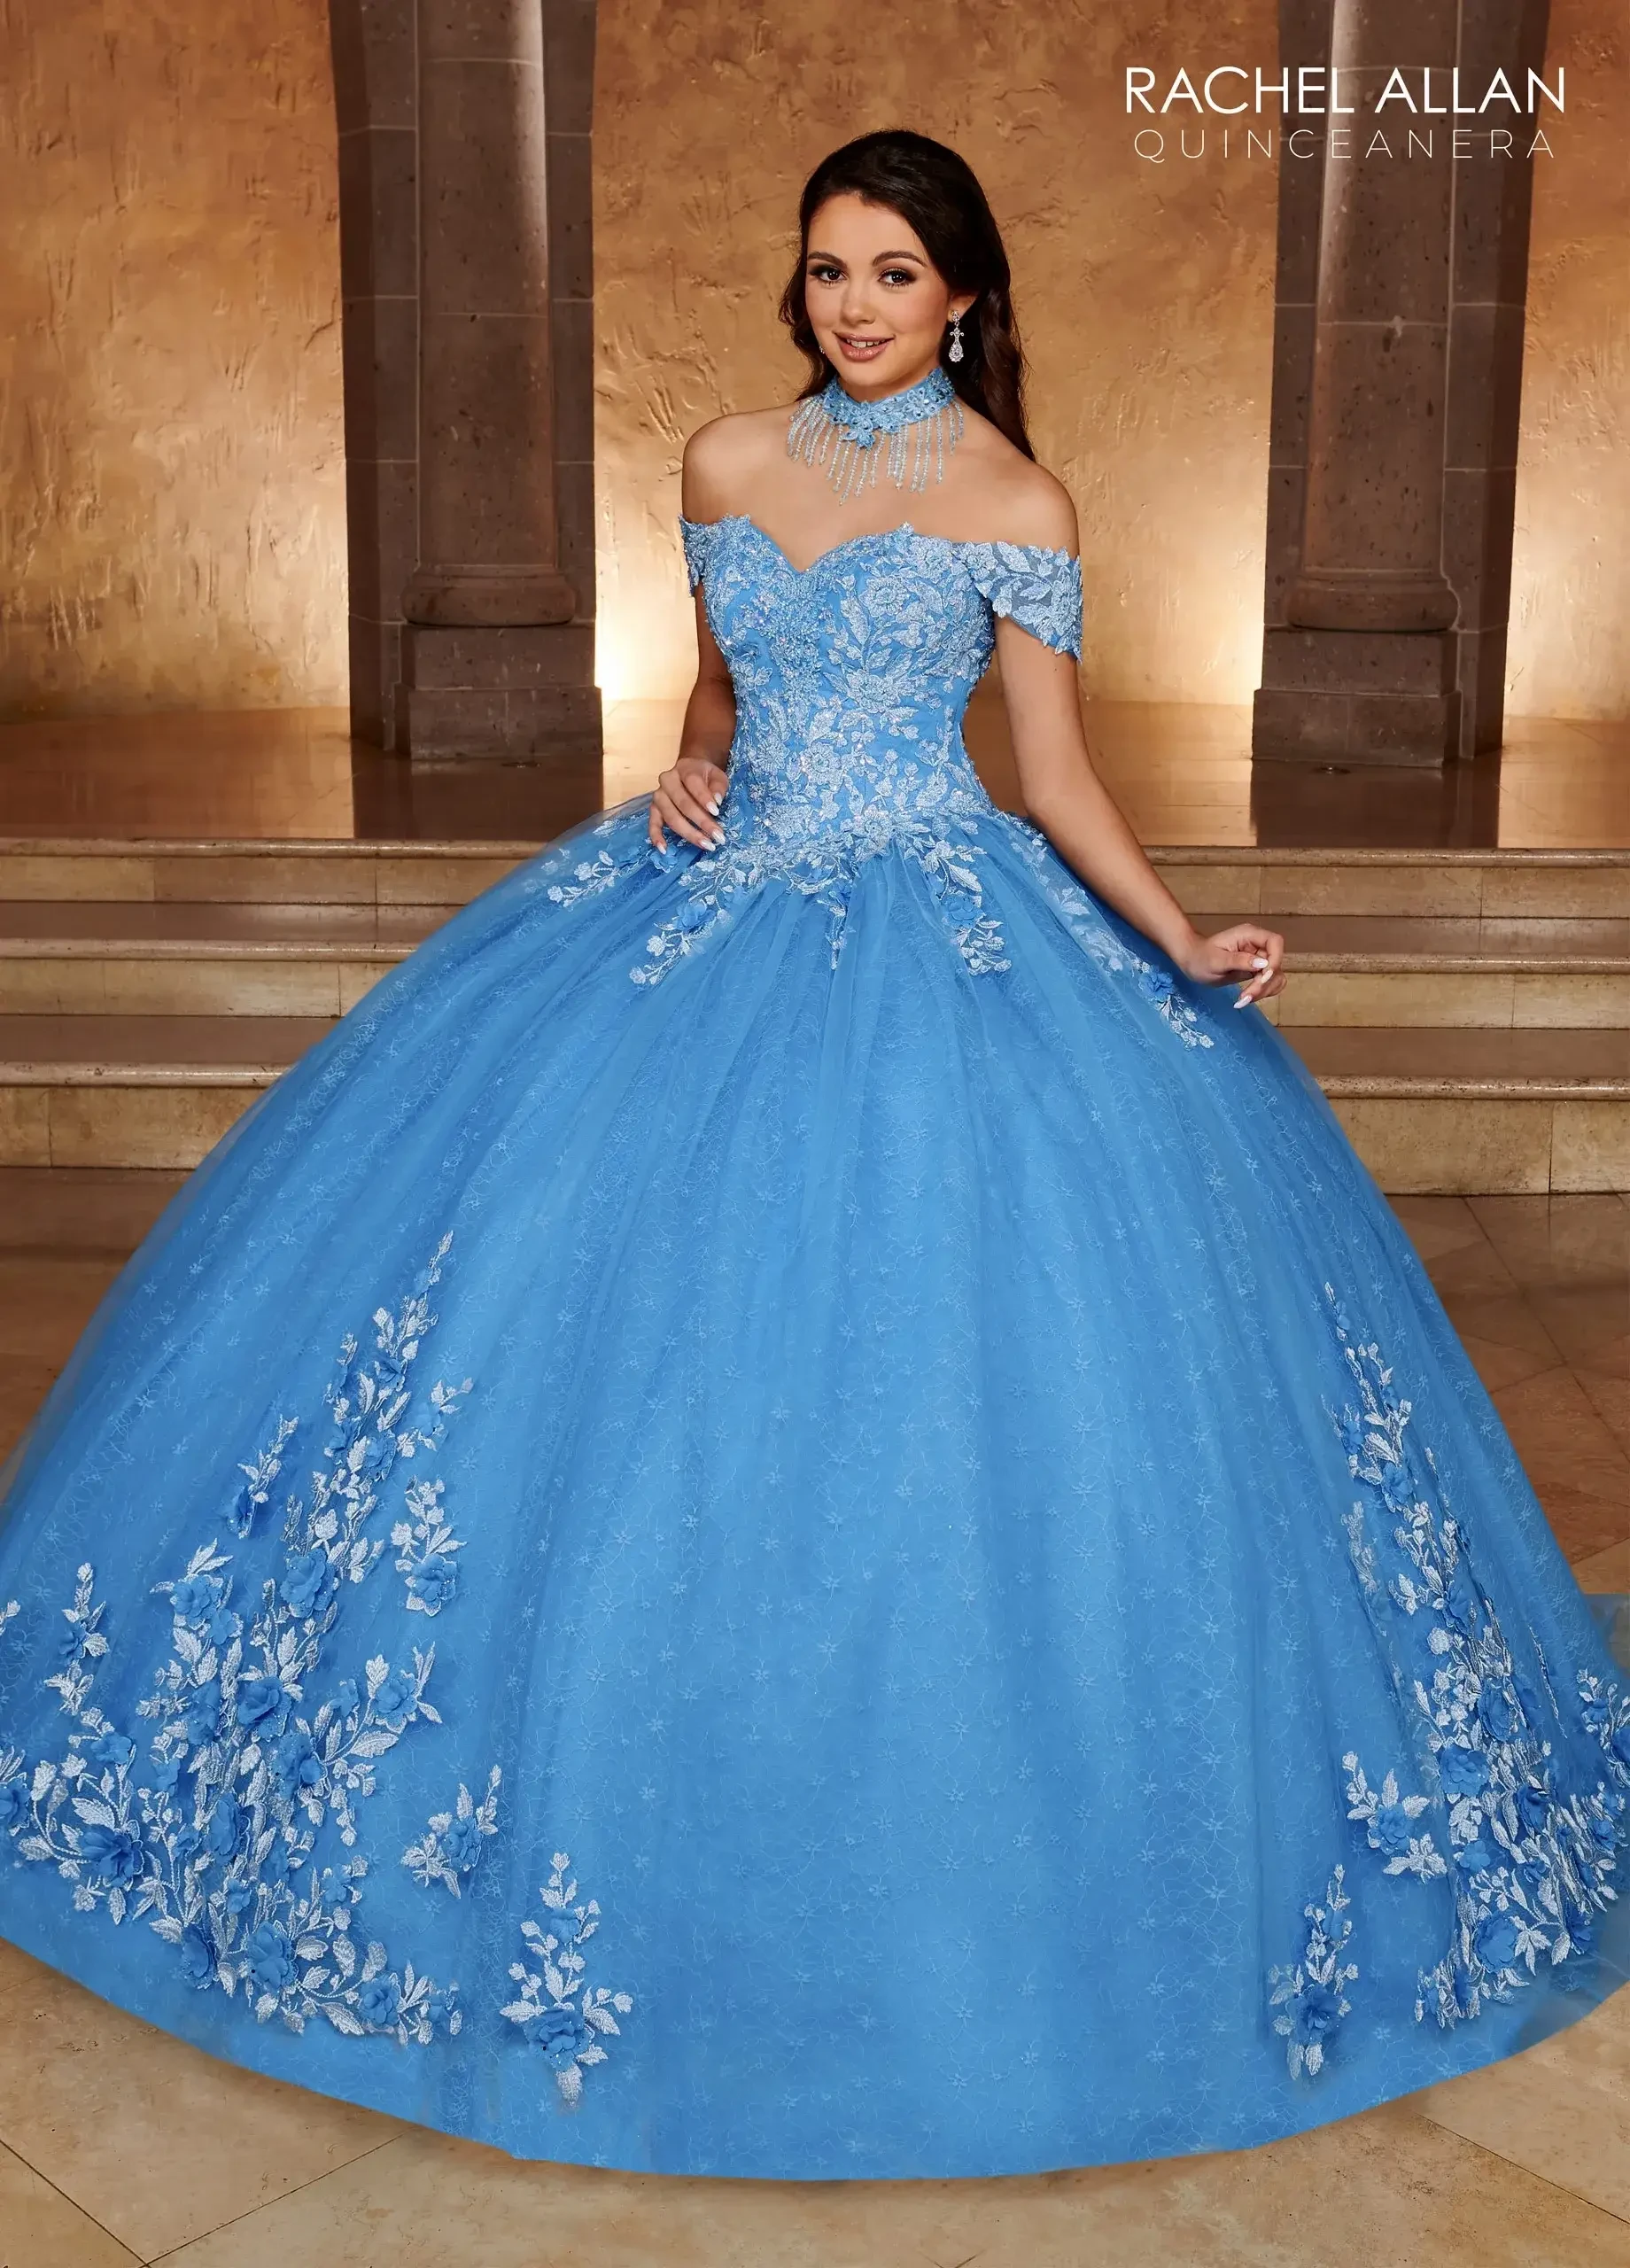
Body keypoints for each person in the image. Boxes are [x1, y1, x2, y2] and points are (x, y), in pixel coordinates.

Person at [0, 129, 1625, 2183]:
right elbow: (716, 689)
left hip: (934, 926)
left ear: (963, 293)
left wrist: (1178, 934)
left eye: (891, 271)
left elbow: (1042, 769)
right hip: (701, 915)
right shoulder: (716, 462)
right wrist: (687, 758)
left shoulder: (1013, 500)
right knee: (537, 1336)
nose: (852, 304)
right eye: (826, 270)